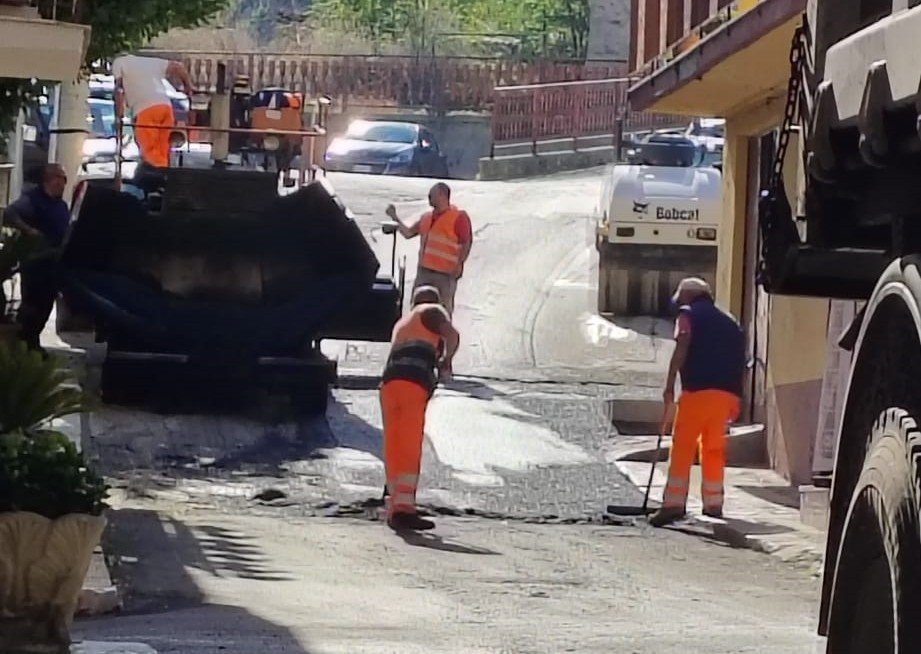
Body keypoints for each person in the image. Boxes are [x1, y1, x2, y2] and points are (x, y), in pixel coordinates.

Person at [650, 277, 745, 528]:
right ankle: (713, 504)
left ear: (688, 297)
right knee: (713, 448)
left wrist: (669, 384)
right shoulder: (730, 322)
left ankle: (673, 504)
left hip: (698, 392)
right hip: (726, 395)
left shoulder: (687, 315)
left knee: (683, 446)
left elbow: (682, 345)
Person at [380, 285, 460, 531]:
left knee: (394, 444)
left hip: (389, 386)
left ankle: (394, 503)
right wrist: (447, 360)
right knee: (409, 444)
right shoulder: (432, 310)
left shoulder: (404, 324)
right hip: (410, 385)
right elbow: (453, 335)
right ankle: (404, 510)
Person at [2, 163, 71, 352]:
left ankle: (33, 343)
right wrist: (30, 231)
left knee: (46, 306)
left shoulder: (60, 204)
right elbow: (9, 213)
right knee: (32, 307)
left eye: (64, 180)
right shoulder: (32, 200)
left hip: (53, 265)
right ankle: (25, 346)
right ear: (48, 179)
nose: (63, 184)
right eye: (59, 179)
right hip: (35, 265)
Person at [385, 182, 472, 317]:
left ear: (442, 195)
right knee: (417, 310)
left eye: (431, 195)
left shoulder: (459, 217)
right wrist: (394, 217)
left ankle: (442, 338)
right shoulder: (426, 218)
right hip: (424, 272)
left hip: (445, 275)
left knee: (442, 313)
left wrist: (460, 264)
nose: (429, 197)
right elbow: (408, 233)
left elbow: (466, 242)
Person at [112, 54, 194, 169]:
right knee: (163, 147)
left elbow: (119, 89)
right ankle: (164, 176)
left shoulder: (119, 62)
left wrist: (118, 116)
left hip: (144, 109)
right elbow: (177, 67)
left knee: (149, 151)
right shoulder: (150, 61)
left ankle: (154, 179)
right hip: (165, 107)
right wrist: (188, 86)